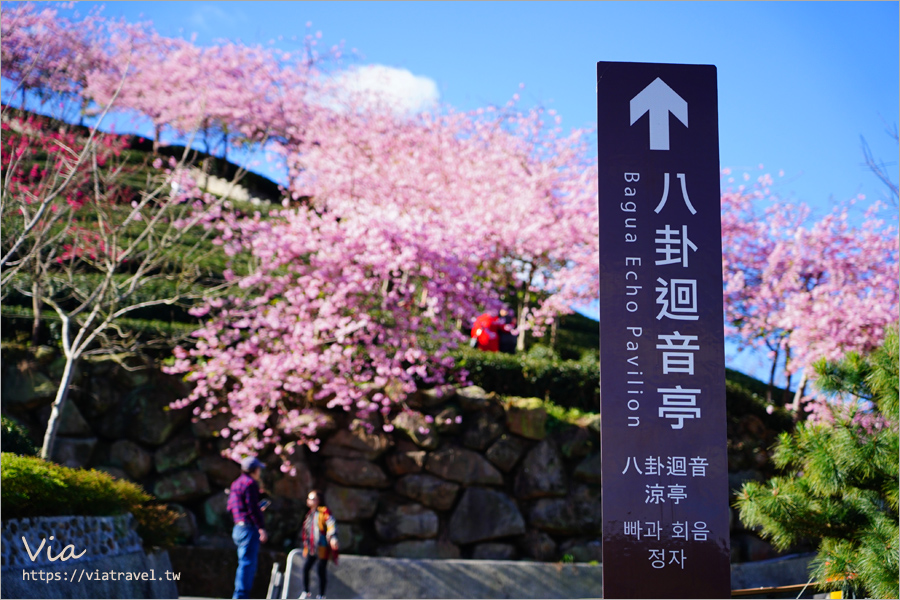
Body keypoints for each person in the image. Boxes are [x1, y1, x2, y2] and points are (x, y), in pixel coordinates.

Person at [227, 456, 268, 599]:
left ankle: (240, 595)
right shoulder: (250, 484)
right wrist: (261, 527)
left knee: (243, 563)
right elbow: (252, 509)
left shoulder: (236, 484)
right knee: (247, 565)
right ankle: (240, 597)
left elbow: (230, 507)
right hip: (248, 529)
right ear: (254, 470)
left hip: (237, 528)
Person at [298, 489, 339, 599]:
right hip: (312, 547)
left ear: (318, 500)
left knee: (321, 571)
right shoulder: (310, 514)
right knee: (306, 568)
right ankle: (306, 592)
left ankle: (321, 595)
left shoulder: (324, 511)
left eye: (312, 498)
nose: (309, 501)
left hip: (322, 546)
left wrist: (333, 537)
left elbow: (331, 523)